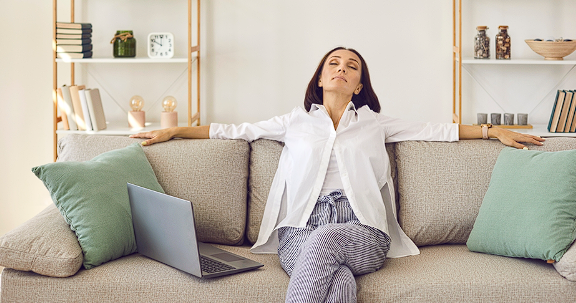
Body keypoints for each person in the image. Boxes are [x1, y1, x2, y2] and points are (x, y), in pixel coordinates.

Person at [131, 46, 544, 303]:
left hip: (362, 229)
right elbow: (231, 130)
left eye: (351, 66)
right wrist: (175, 129)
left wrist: (493, 130)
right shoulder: (295, 121)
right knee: (340, 283)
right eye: (334, 63)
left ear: (359, 85)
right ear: (321, 77)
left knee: (328, 244)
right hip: (298, 230)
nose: (342, 69)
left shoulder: (376, 123)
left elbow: (440, 131)